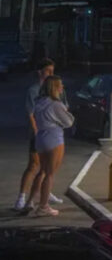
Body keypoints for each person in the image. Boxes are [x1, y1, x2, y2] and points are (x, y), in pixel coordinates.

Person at [14, 58, 65, 211]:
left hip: (52, 135)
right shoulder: (34, 90)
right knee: (34, 165)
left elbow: (64, 109)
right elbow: (31, 114)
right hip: (40, 134)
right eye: (48, 71)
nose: (51, 73)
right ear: (40, 72)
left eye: (52, 71)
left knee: (47, 169)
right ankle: (22, 197)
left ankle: (44, 194)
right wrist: (37, 132)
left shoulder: (56, 88)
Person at [29, 76, 74, 216]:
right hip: (54, 137)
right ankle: (43, 206)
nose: (62, 88)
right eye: (60, 85)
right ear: (54, 87)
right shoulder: (56, 104)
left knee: (42, 171)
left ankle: (32, 201)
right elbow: (68, 122)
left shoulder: (39, 102)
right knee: (49, 174)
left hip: (41, 137)